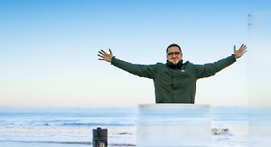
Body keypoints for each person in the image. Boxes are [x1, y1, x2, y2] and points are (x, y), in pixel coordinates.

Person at [97, 43, 247, 103]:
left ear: (182, 55)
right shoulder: (158, 70)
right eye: (170, 54)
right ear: (166, 56)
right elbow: (136, 69)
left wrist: (233, 57)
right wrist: (113, 60)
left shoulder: (191, 70)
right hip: (163, 118)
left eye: (177, 53)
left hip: (186, 117)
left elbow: (213, 68)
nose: (174, 56)